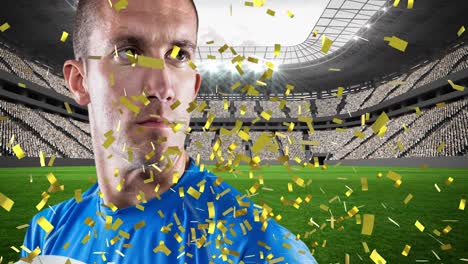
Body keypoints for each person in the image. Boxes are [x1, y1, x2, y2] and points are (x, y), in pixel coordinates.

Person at [20, 0, 318, 263]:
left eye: (179, 55)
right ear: (80, 81)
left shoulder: (261, 248)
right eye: (128, 52)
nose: (162, 88)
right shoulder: (46, 236)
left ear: (194, 87)